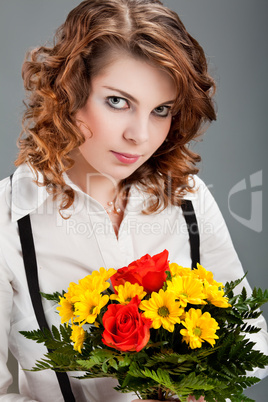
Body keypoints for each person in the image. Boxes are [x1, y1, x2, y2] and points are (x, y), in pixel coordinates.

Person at [0, 0, 267, 401]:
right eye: (118, 101)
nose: (140, 135)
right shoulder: (9, 217)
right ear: (68, 93)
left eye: (161, 110)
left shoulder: (188, 198)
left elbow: (250, 341)